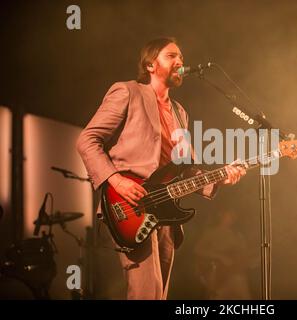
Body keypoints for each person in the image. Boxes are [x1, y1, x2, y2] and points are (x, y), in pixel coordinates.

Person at [76, 37, 246, 300]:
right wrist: (117, 181)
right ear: (150, 65)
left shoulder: (180, 112)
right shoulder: (127, 92)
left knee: (159, 294)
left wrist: (222, 177)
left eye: (182, 58)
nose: (180, 62)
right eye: (171, 56)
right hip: (129, 205)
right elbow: (87, 140)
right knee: (147, 293)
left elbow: (185, 170)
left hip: (164, 211)